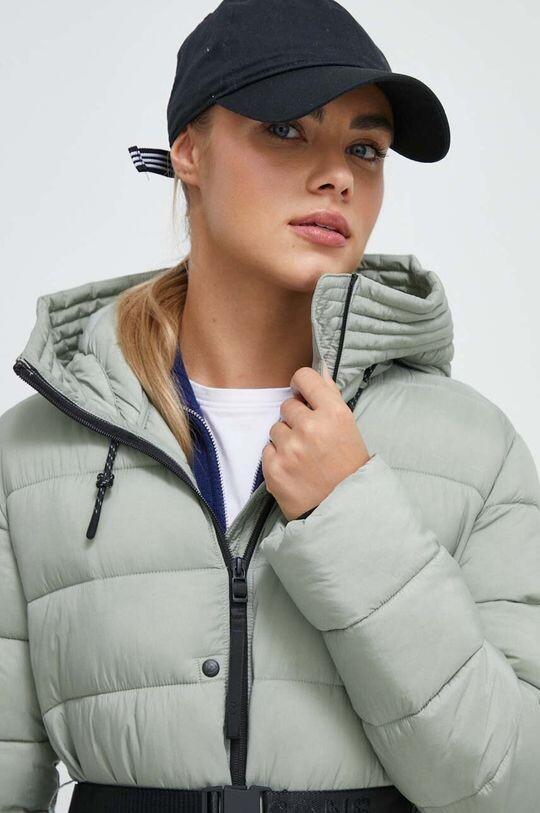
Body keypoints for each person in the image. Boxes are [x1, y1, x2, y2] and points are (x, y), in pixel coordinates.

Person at [1, 1, 539, 812]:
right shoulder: (34, 455)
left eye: (365, 147)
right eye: (287, 129)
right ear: (189, 151)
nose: (338, 175)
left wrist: (349, 514)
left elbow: (512, 786)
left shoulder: (474, 449)